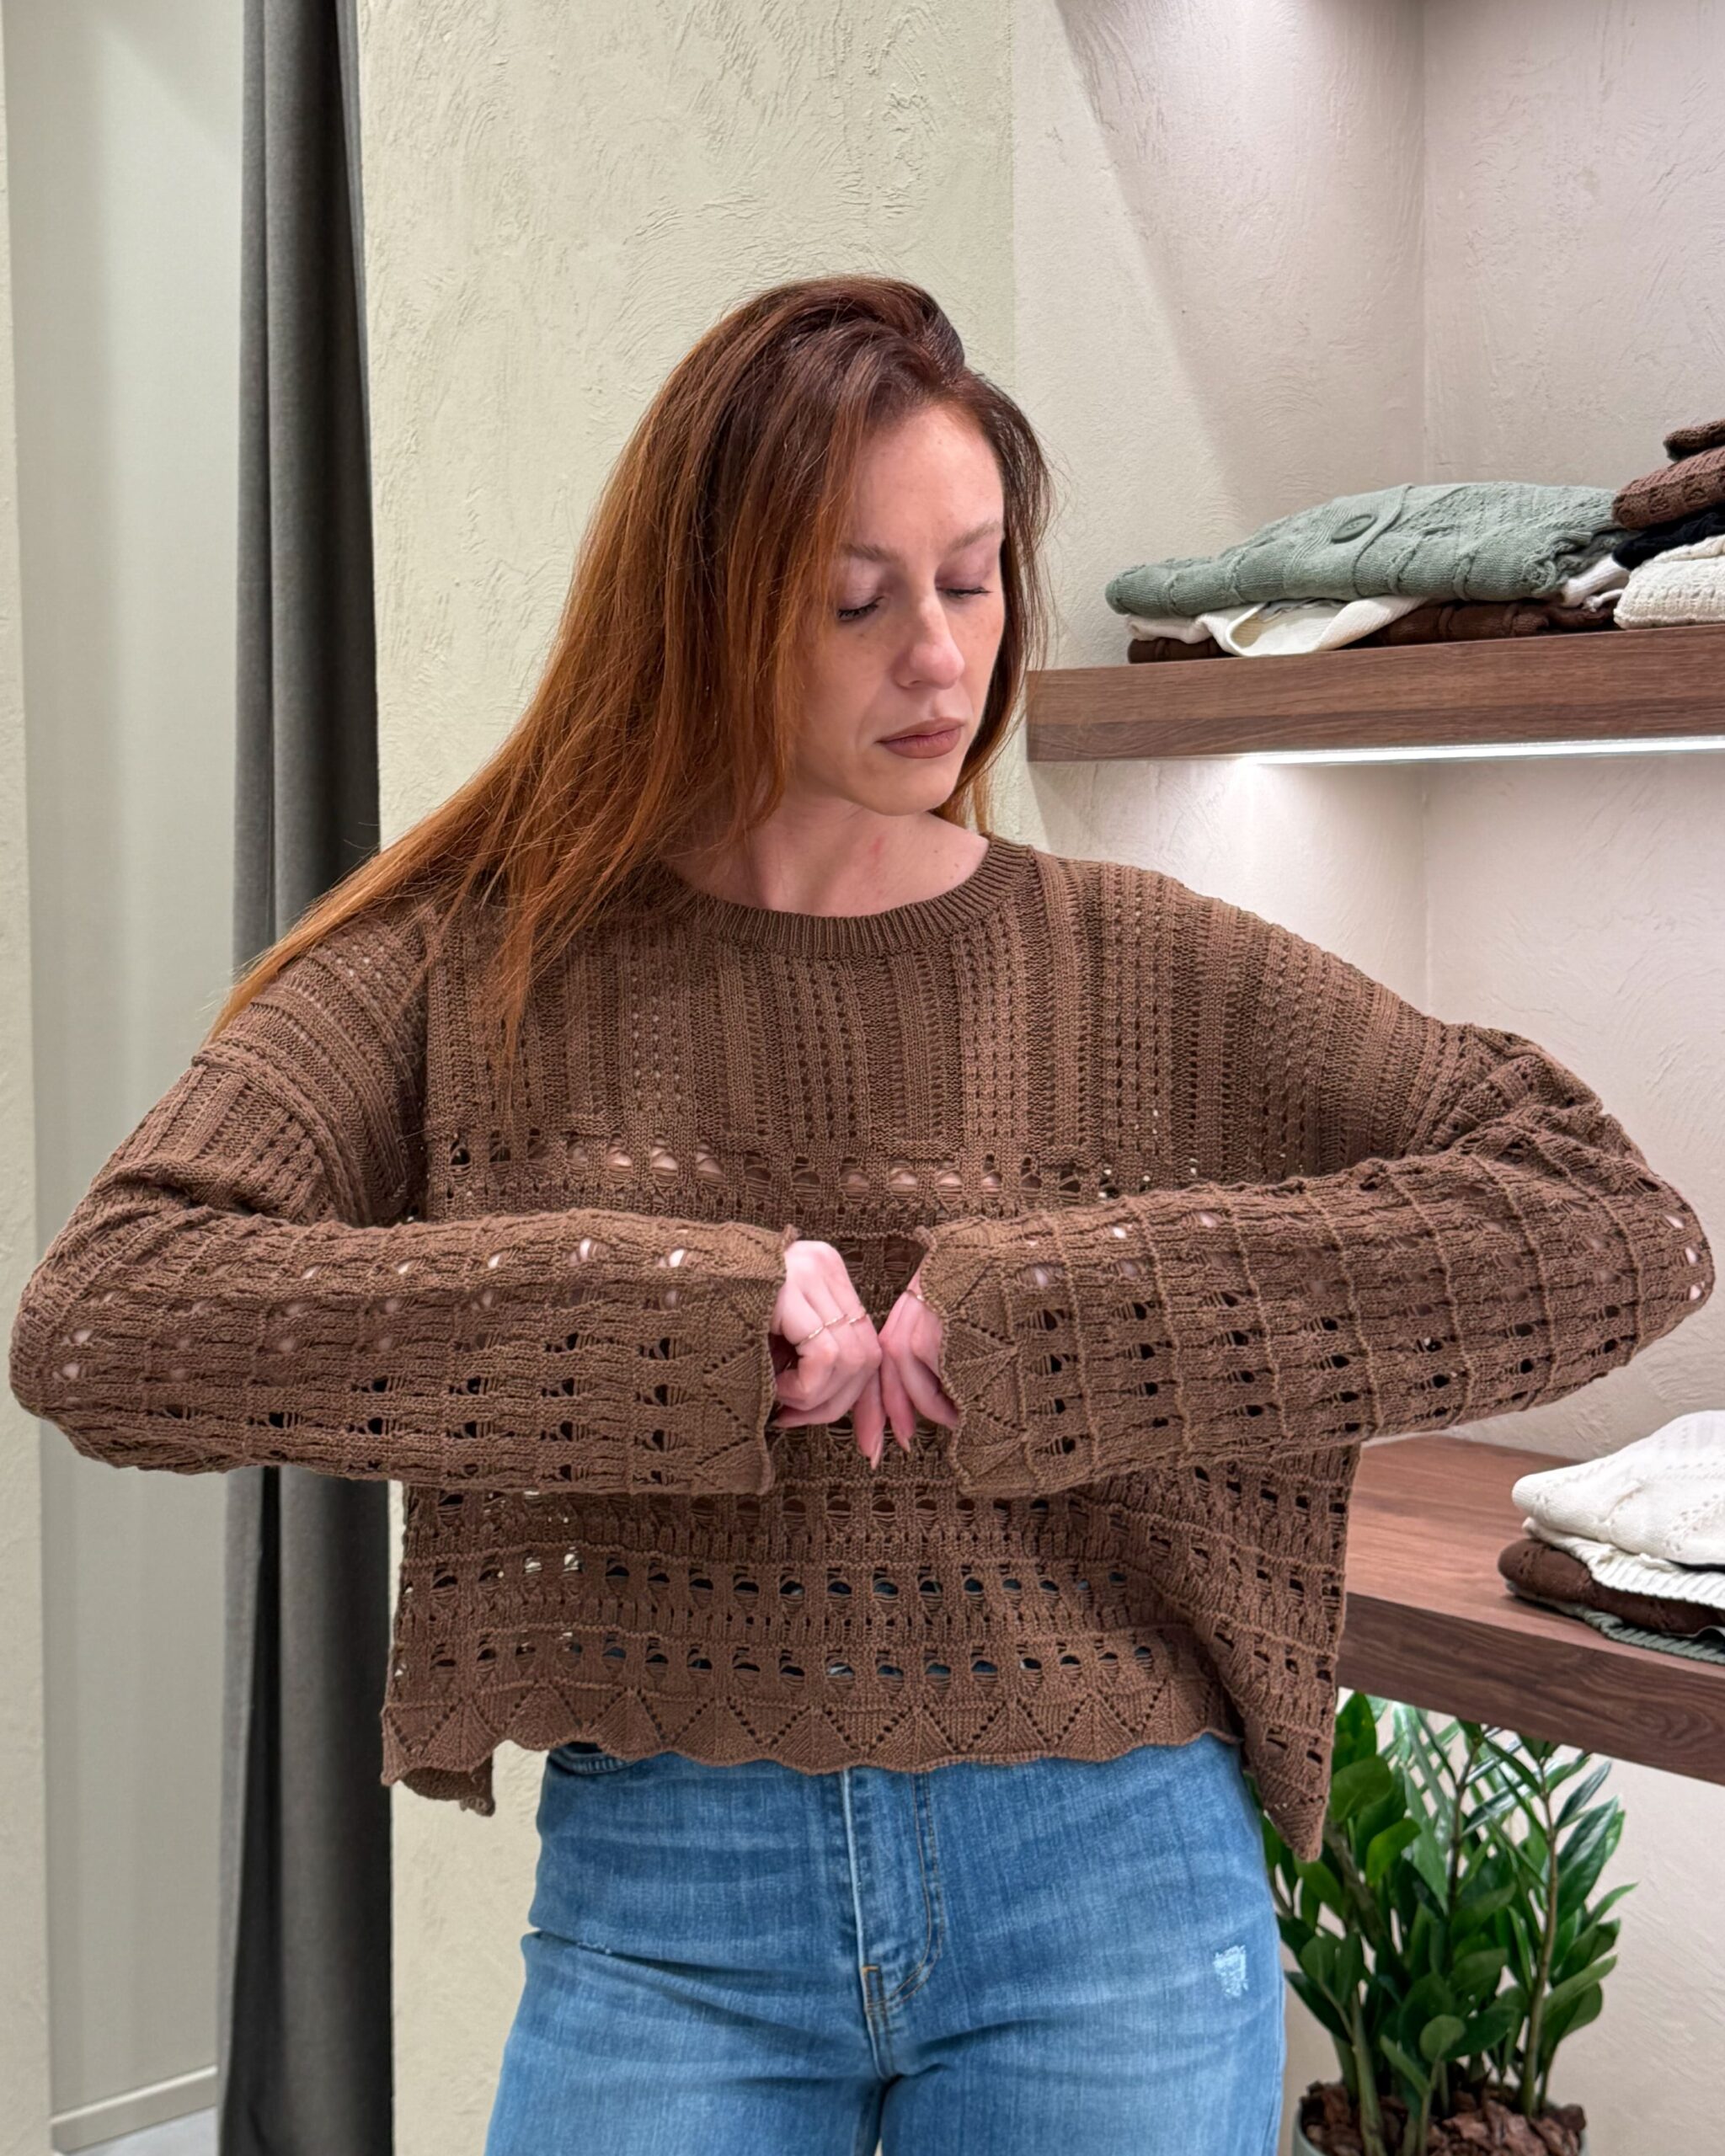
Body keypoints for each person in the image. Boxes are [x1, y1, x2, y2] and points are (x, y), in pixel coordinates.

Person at [11, 275, 1711, 2155]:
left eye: (972, 582)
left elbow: (1613, 1220)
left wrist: (1078, 1313)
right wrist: (663, 1320)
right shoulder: (476, 971)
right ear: (705, 609)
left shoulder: (1141, 966)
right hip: (673, 1899)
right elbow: (109, 1315)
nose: (939, 659)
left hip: (1115, 1887)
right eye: (855, 599)